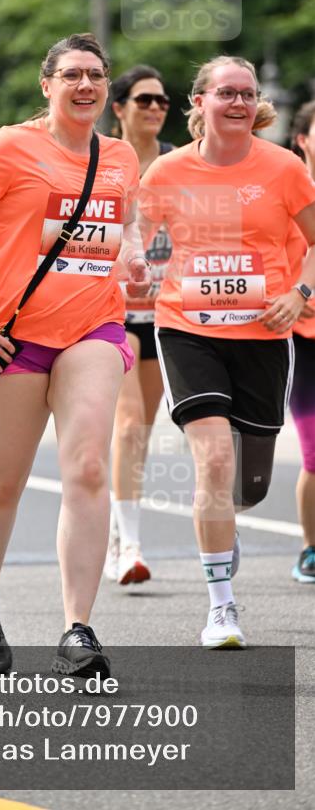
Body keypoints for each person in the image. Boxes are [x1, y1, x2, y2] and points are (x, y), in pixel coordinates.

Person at [0, 33, 151, 676]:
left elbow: (126, 221)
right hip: (11, 336)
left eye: (96, 75)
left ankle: (78, 628)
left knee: (87, 467)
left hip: (95, 328)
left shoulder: (119, 158)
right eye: (73, 75)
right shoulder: (9, 148)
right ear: (47, 85)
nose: (86, 86)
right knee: (4, 480)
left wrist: (134, 254)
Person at [139, 57, 315, 648]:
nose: (238, 103)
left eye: (247, 94)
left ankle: (224, 525)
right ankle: (221, 608)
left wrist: (300, 293)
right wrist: (137, 271)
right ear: (200, 102)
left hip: (264, 335)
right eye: (226, 93)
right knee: (214, 460)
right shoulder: (165, 172)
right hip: (187, 330)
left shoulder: (284, 168)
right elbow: (141, 246)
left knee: (249, 488)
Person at [105, 65, 173, 585]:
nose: (155, 108)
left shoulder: (179, 164)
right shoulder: (104, 161)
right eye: (145, 100)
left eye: (162, 102)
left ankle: (115, 522)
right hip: (113, 311)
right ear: (120, 107)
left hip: (169, 314)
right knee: (128, 423)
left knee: (142, 431)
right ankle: (130, 545)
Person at [286, 100, 315, 583]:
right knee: (313, 451)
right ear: (303, 140)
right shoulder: (286, 191)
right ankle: (310, 549)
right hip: (301, 339)